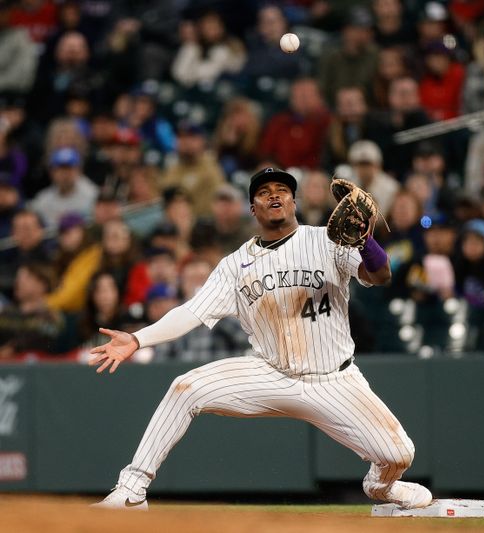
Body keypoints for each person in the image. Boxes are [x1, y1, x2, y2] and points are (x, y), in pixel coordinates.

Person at [90, 167, 432, 511]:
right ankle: (131, 491)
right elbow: (192, 311)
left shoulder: (326, 241)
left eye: (282, 189)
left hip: (334, 380)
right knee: (186, 387)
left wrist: (365, 241)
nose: (274, 195)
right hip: (272, 374)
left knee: (399, 454)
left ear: (293, 201)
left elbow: (381, 274)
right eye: (264, 191)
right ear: (252, 208)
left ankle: (381, 487)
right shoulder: (235, 265)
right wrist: (137, 340)